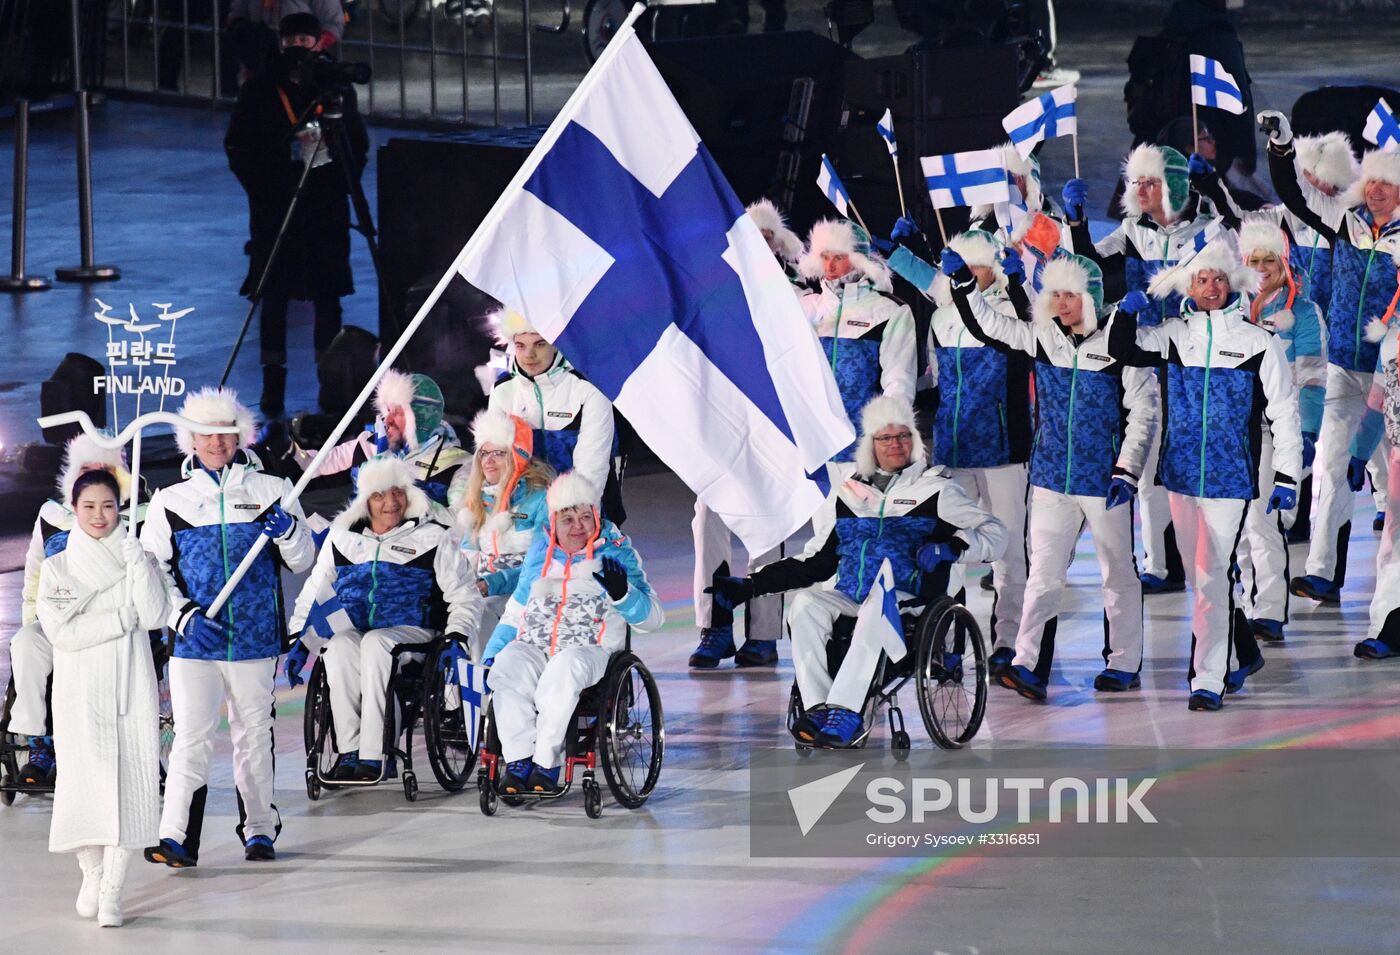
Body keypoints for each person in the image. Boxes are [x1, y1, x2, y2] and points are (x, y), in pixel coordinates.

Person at [707, 397, 1007, 747]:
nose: (896, 444)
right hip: (852, 595)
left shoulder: (937, 490)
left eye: (903, 436)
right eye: (885, 438)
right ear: (871, 446)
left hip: (909, 600)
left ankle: (847, 711)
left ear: (914, 440)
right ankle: (818, 709)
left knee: (875, 607)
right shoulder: (850, 495)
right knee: (806, 604)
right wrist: (750, 586)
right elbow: (816, 564)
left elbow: (995, 533)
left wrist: (953, 547)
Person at [949, 251, 1158, 702]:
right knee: (1043, 575)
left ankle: (1123, 661)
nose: (1062, 303)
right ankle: (1027, 664)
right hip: (1049, 479)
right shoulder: (1044, 339)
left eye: (1071, 294)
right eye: (1056, 294)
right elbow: (989, 325)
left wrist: (1126, 470)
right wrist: (964, 283)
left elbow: (1143, 414)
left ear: (1091, 296)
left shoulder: (1125, 345)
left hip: (1105, 482)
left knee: (1117, 572)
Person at [1109, 234, 1302, 711]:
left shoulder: (1259, 342)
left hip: (1230, 479)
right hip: (1179, 476)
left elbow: (1284, 411)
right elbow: (1123, 350)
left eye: (1218, 278)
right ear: (1188, 285)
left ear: (1232, 282)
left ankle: (1207, 679)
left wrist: (1286, 475)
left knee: (1211, 576)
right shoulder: (1175, 335)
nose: (1211, 287)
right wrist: (1125, 311)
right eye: (1202, 279)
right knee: (1203, 579)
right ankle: (1242, 653)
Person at [141, 387, 315, 866]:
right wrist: (181, 615)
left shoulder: (273, 491)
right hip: (195, 640)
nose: (217, 443)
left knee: (254, 734)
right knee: (191, 735)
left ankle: (259, 829)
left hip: (254, 638)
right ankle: (176, 836)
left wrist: (290, 532)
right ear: (190, 440)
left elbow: (303, 562)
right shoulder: (170, 502)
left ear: (240, 436)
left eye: (226, 433)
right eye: (207, 435)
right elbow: (149, 570)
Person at [1071, 144, 1226, 596]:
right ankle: (1160, 565)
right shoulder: (1130, 230)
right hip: (1144, 354)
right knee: (1149, 458)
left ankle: (1212, 559)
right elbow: (1091, 266)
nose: (1140, 189)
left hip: (1196, 357)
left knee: (1197, 461)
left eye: (1151, 181)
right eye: (1135, 181)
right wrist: (1077, 223)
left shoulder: (1208, 229)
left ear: (1174, 186)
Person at [1261, 112, 1400, 603]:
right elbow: (1295, 194)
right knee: (1331, 466)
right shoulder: (1349, 222)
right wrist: (1282, 146)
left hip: (1395, 374)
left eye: (1389, 184)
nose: (1378, 191)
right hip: (1344, 364)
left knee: (1389, 479)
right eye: (1373, 182)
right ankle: (1322, 572)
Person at [887, 229, 1032, 675]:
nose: (963, 276)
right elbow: (928, 281)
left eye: (974, 268)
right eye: (960, 268)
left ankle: (1008, 642)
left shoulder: (1012, 311)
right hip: (953, 446)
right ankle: (947, 640)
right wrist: (897, 252)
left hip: (1004, 447)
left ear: (990, 270)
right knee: (947, 549)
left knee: (1007, 549)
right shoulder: (943, 316)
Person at [286, 456, 482, 781]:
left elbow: (464, 594)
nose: (390, 503)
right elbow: (314, 591)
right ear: (365, 501)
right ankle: (349, 751)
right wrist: (298, 640)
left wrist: (458, 635)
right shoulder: (342, 536)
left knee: (377, 644)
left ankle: (376, 754)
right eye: (379, 495)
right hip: (357, 629)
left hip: (414, 630)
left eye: (397, 492)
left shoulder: (432, 537)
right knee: (338, 646)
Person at [35, 470, 166, 928]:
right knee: (83, 786)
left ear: (120, 508)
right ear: (74, 509)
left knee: (131, 786)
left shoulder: (136, 554)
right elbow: (63, 633)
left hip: (131, 688)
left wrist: (141, 567)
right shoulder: (59, 567)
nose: (99, 515)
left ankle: (114, 889)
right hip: (81, 691)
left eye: (108, 506)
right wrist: (119, 616)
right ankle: (91, 872)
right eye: (89, 506)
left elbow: (154, 615)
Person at [481, 473, 664, 796]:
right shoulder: (540, 553)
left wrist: (624, 594)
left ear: (596, 516)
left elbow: (653, 619)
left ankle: (546, 762)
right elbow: (515, 611)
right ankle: (519, 760)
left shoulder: (616, 553)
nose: (578, 525)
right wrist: (492, 655)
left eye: (585, 516)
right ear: (553, 521)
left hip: (590, 650)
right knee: (506, 668)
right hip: (535, 645)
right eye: (568, 518)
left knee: (562, 668)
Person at [224, 12, 369, 418]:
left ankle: (331, 380)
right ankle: (273, 384)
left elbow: (357, 142)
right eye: (294, 39)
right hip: (277, 207)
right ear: (282, 42)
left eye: (308, 39)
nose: (301, 47)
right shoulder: (259, 90)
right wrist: (266, 186)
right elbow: (238, 147)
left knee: (329, 295)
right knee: (274, 296)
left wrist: (341, 179)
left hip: (324, 206)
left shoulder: (334, 88)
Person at [689, 198, 804, 670]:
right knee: (707, 519)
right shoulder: (713, 295)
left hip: (777, 426)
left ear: (777, 247)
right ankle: (714, 626)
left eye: (766, 239)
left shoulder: (800, 296)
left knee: (770, 526)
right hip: (721, 423)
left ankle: (763, 632)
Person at [1254, 131, 1362, 541]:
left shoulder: (1342, 224)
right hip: (1288, 335)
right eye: (1310, 178)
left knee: (1334, 437)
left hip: (1335, 344)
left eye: (1324, 182)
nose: (1316, 188)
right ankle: (1293, 518)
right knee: (1290, 422)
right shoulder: (1276, 220)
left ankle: (1372, 504)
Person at [9, 435, 133, 787]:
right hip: (58, 619)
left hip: (109, 623)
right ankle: (38, 742)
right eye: (86, 471)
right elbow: (34, 573)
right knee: (27, 644)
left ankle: (83, 750)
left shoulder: (134, 512)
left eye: (103, 470)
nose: (93, 477)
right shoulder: (52, 514)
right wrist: (32, 620)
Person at [1234, 220, 1327, 642]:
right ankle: (1238, 606)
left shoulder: (1304, 312)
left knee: (1263, 519)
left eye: (1268, 259)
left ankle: (1269, 610)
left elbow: (1313, 377)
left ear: (1283, 263)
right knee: (1232, 526)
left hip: (1275, 430)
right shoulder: (1230, 307)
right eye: (1253, 260)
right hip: (1233, 431)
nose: (1261, 267)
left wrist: (1307, 433)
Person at [797, 218, 918, 462]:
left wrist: (887, 436)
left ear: (859, 259)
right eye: (825, 256)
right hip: (812, 446)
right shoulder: (804, 308)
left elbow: (899, 379)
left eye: (839, 257)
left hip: (861, 447)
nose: (829, 266)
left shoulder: (888, 310)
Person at [485, 308, 622, 521]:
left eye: (540, 344)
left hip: (586, 505)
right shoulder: (503, 389)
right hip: (527, 511)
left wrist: (576, 520)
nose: (529, 355)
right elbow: (497, 459)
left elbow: (591, 464)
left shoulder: (587, 386)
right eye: (521, 346)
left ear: (557, 344)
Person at [449, 408, 554, 661]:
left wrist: (492, 583)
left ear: (517, 456)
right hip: (486, 590)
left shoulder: (542, 500)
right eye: (484, 453)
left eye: (499, 453)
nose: (488, 460)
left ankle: (483, 688)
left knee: (480, 612)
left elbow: (543, 564)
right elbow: (466, 557)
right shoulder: (477, 500)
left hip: (529, 591)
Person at [295, 369, 468, 505]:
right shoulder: (370, 444)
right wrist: (285, 450)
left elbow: (456, 525)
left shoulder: (456, 464)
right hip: (358, 545)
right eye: (388, 410)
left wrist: (385, 476)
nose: (388, 419)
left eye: (397, 413)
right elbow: (314, 466)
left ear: (419, 418)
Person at [1349, 312, 1400, 660]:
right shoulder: (1392, 337)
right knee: (1393, 548)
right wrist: (1359, 453)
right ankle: (1384, 628)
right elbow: (1377, 401)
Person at [225, 0, 343, 87]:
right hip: (260, 66)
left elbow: (333, 23)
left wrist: (314, 44)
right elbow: (237, 16)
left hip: (300, 67)